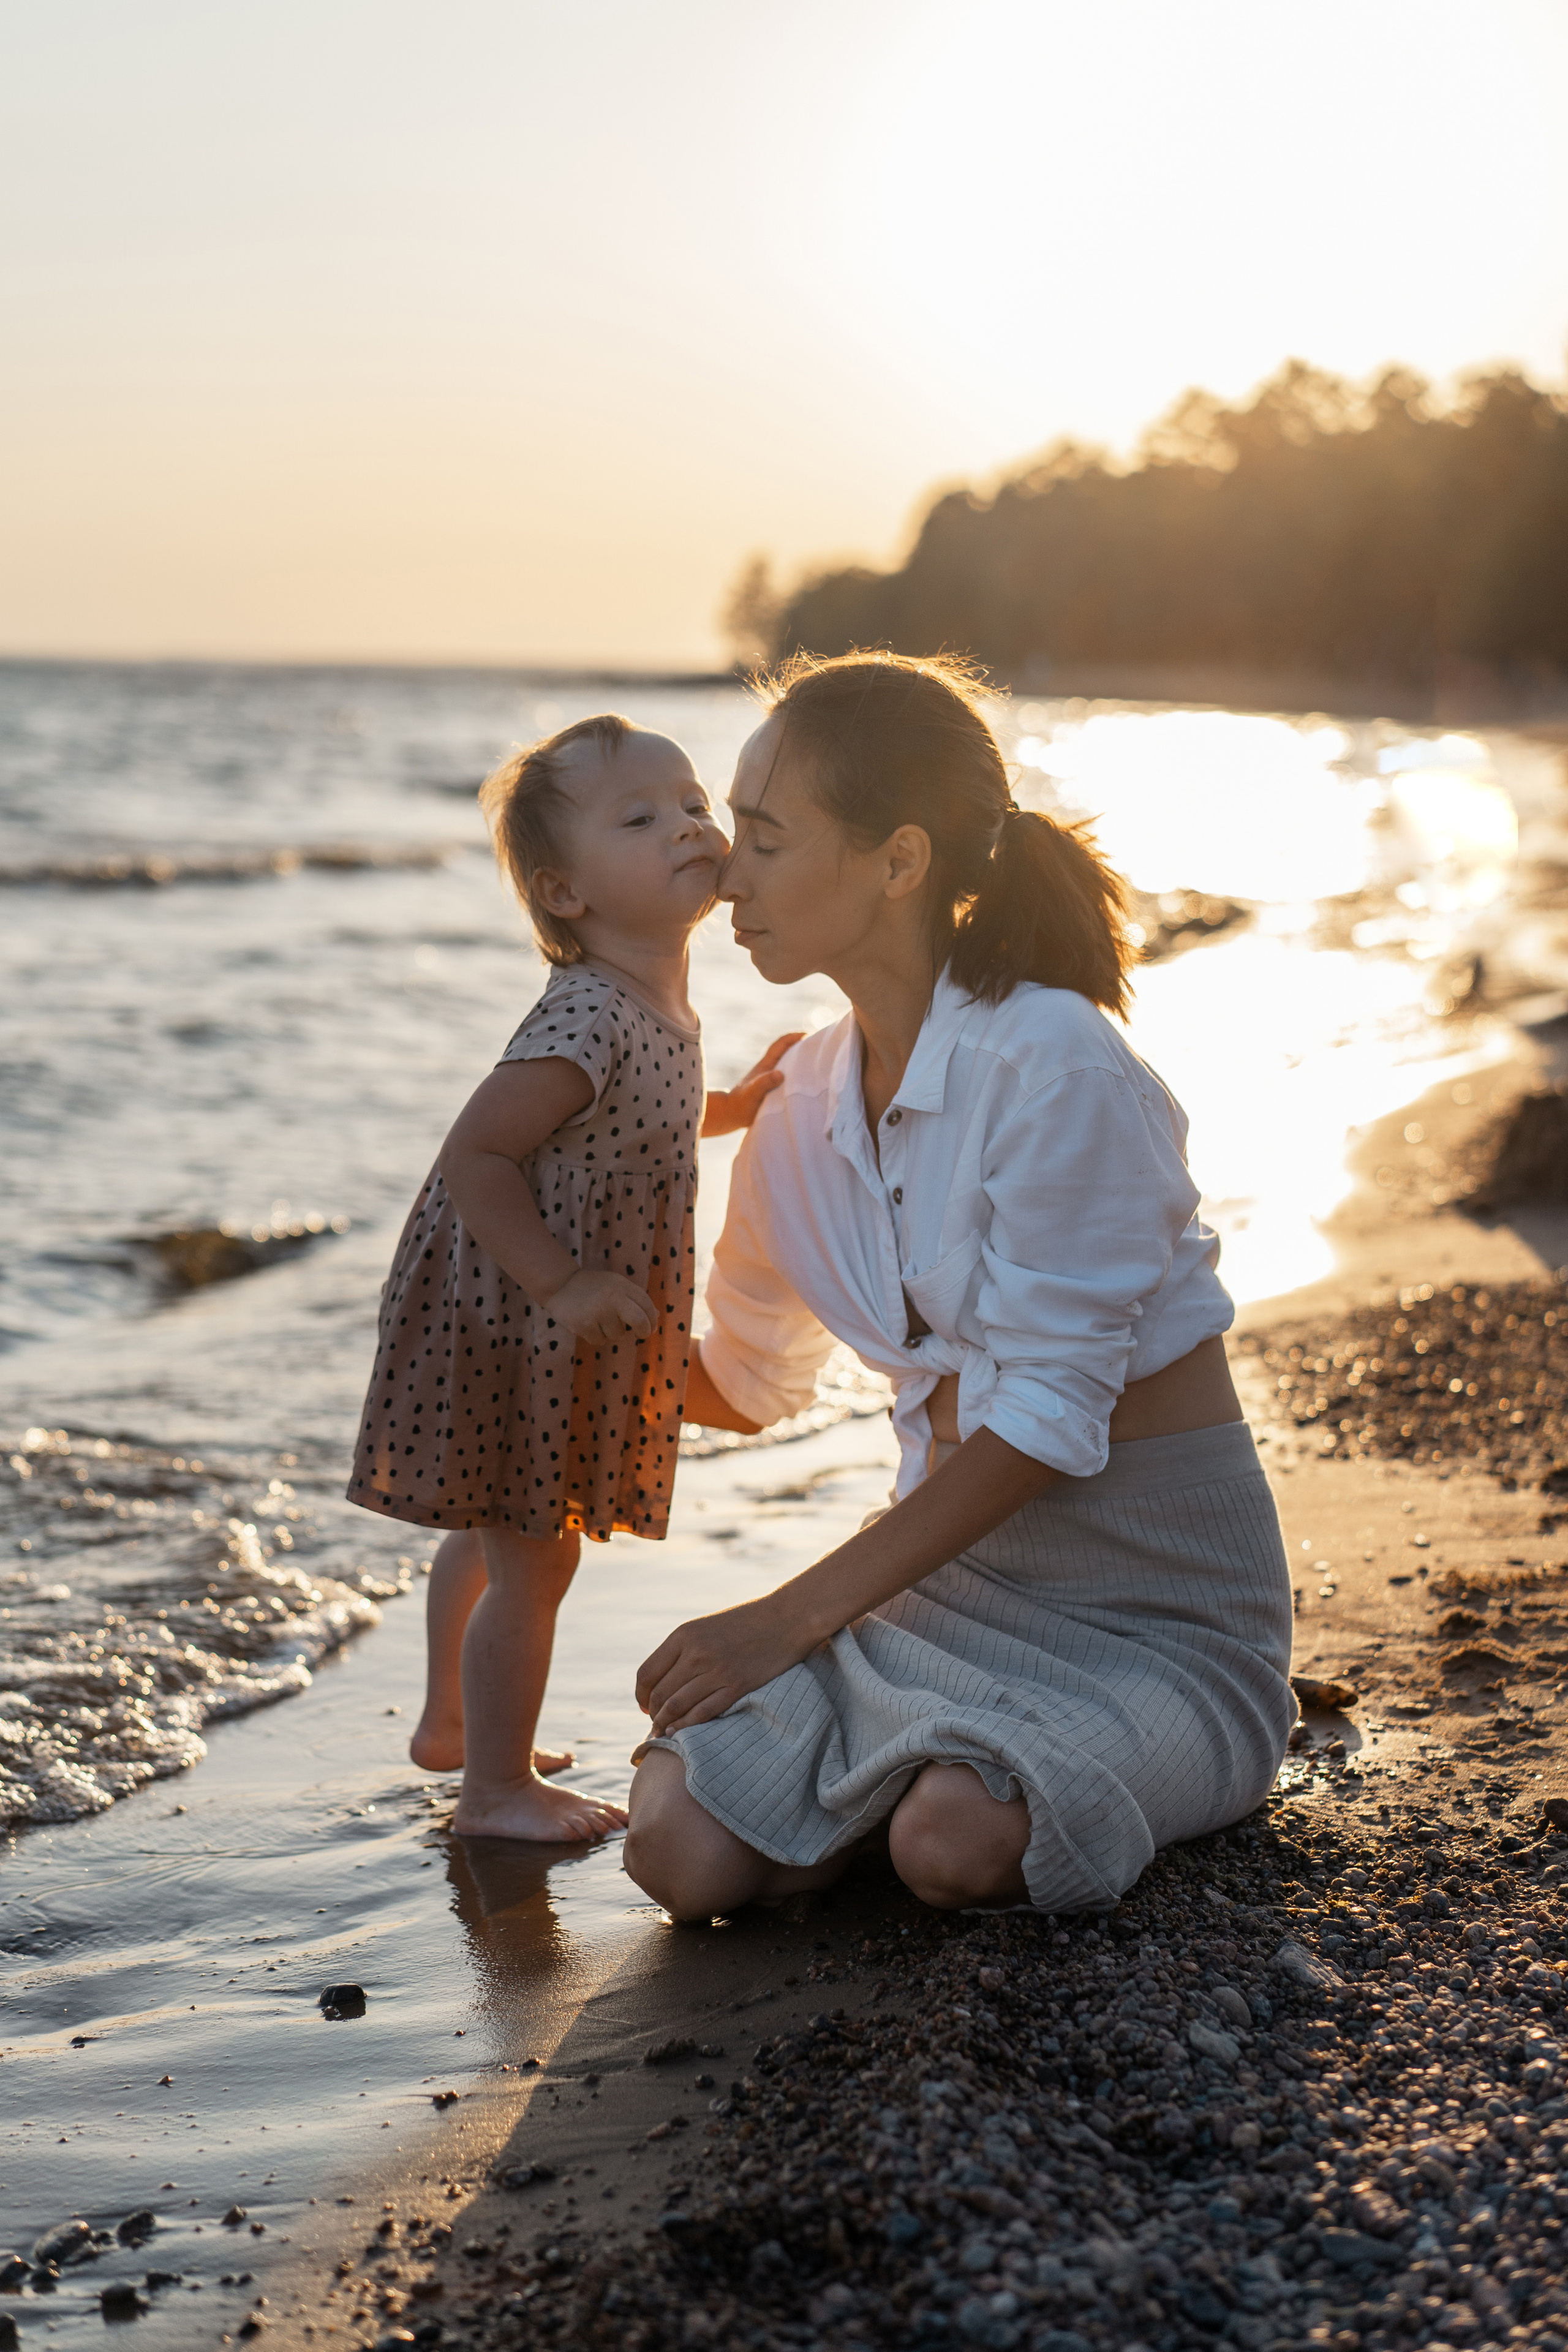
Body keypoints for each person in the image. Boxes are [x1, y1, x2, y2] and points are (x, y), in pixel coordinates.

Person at [623, 652, 1293, 1917]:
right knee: (676, 1851)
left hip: (1160, 1608)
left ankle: (935, 1781)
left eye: (764, 839)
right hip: (940, 1584)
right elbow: (743, 1382)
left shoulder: (1056, 1064)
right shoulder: (795, 1109)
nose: (724, 876)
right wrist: (553, 1347)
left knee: (951, 1840)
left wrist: (784, 1623)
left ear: (899, 860)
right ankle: (886, 1770)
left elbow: (1047, 1421)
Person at [347, 714, 796, 1841]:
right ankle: (494, 1792)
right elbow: (479, 1154)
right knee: (536, 1558)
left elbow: (626, 1135)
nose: (689, 825)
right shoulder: (590, 1014)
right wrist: (558, 1283)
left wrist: (730, 1109)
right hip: (516, 1303)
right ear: (566, 895)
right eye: (641, 819)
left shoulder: (652, 995)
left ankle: (454, 1727)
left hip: (529, 1303)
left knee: (497, 1524)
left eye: (694, 803)